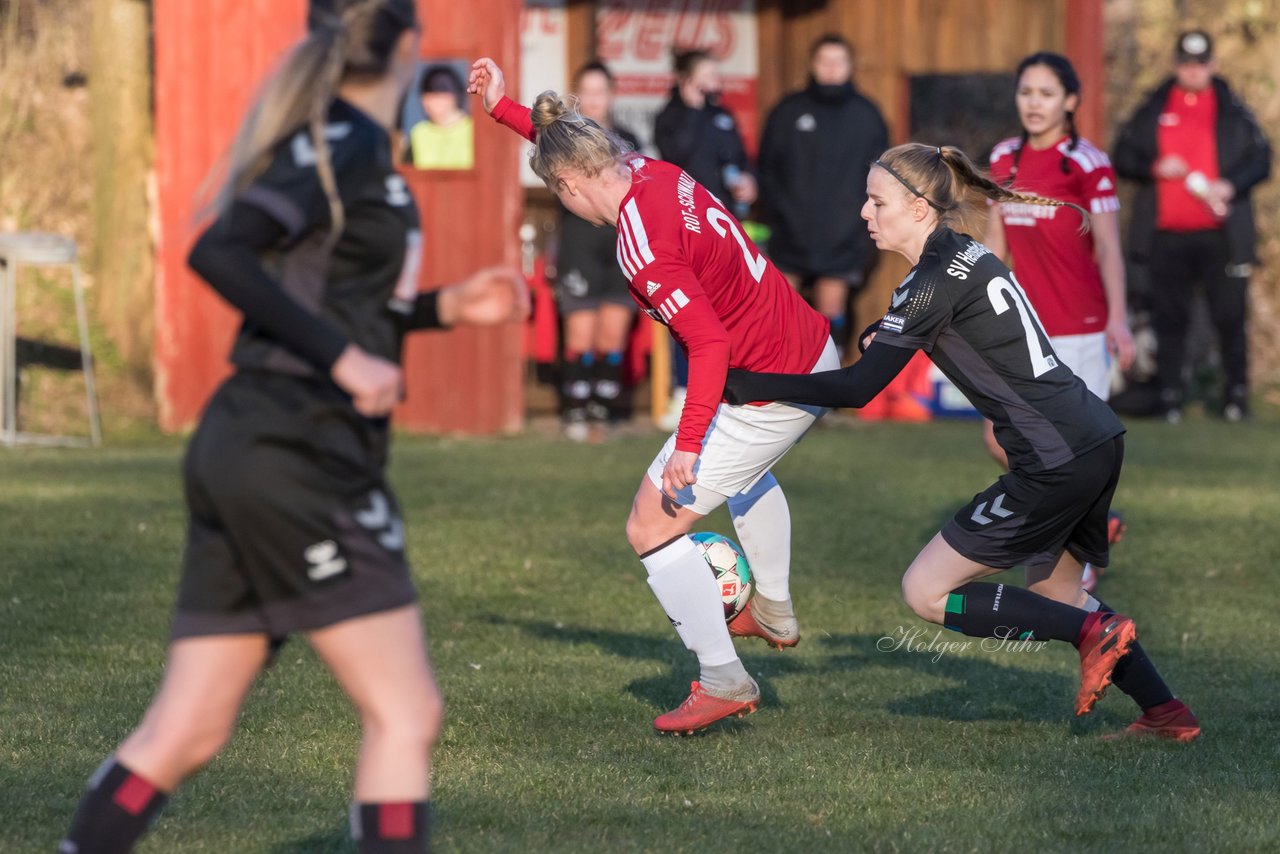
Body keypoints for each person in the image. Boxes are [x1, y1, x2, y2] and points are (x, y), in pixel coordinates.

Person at [61, 4, 527, 852]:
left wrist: (441, 309)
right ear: (406, 47)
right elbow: (220, 250)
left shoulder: (357, 150)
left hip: (251, 444)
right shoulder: (341, 146)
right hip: (297, 451)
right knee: (406, 711)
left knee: (188, 733)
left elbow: (335, 301)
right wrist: (347, 362)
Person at [724, 143, 1199, 741]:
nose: (866, 213)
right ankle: (1165, 712)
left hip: (1053, 458)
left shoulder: (925, 285)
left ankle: (1093, 637)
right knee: (1057, 594)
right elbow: (944, 324)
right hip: (1095, 437)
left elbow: (857, 388)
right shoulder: (963, 252)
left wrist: (744, 384)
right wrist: (888, 330)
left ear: (921, 208)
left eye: (877, 201)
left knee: (925, 592)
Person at [469, 57, 838, 735]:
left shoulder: (639, 243)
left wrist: (687, 447)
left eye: (558, 191)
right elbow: (570, 141)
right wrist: (505, 111)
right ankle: (775, 611)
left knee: (650, 523)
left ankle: (724, 679)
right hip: (804, 348)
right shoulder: (645, 169)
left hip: (770, 377)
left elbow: (708, 346)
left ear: (569, 187)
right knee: (749, 479)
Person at [985, 52, 1136, 592]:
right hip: (1026, 328)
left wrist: (1119, 321)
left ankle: (1078, 549)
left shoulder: (1088, 163)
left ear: (1070, 102)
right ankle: (1079, 522)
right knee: (999, 438)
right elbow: (995, 248)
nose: (1033, 103)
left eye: (1046, 94)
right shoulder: (1003, 157)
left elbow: (1110, 248)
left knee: (1079, 450)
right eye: (1026, 91)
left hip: (1082, 327)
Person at [1112, 29, 1271, 423]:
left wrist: (1229, 185)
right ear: (1176, 64)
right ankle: (1169, 398)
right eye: (1186, 63)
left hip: (1222, 235)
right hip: (1166, 235)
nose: (1193, 71)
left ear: (1212, 65)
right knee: (1169, 321)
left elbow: (1262, 158)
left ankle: (1235, 397)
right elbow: (1122, 155)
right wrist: (1153, 167)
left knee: (1230, 317)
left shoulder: (1232, 108)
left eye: (1201, 64)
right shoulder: (1154, 106)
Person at [758, 33, 888, 355]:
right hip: (789, 233)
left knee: (831, 314)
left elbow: (884, 177)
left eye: (838, 61)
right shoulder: (788, 111)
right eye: (824, 61)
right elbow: (766, 169)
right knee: (780, 313)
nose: (831, 69)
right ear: (813, 65)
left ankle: (830, 385)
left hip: (843, 236)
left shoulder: (866, 115)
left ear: (850, 66)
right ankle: (781, 387)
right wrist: (779, 215)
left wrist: (860, 227)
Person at [652, 49, 758, 427]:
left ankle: (726, 391)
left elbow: (741, 163)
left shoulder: (723, 116)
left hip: (723, 227)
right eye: (707, 73)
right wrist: (692, 106)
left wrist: (748, 182)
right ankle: (682, 390)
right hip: (684, 229)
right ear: (686, 79)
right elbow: (675, 153)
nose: (716, 79)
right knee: (688, 312)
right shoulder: (671, 117)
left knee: (725, 309)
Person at [553, 62, 641, 441]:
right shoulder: (561, 140)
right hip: (578, 246)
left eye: (600, 91)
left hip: (620, 246)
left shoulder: (627, 137)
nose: (593, 99)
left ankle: (603, 409)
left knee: (612, 336)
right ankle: (576, 408)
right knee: (581, 337)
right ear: (575, 97)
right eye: (585, 91)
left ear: (611, 94)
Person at [408, 64, 474, 169]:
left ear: (457, 93)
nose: (436, 97)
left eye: (443, 89)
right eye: (430, 91)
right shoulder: (418, 133)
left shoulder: (474, 130)